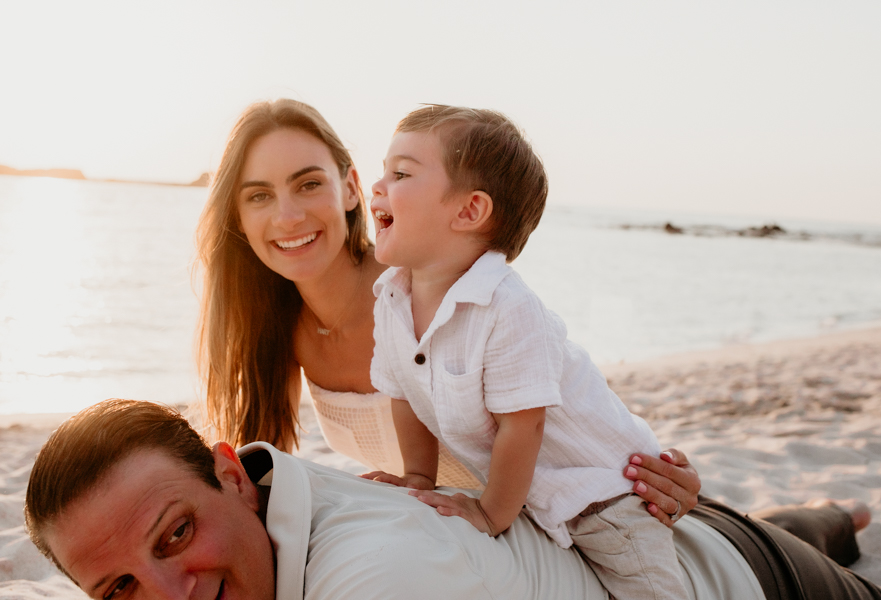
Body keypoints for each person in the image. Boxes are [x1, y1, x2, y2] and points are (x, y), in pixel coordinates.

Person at [195, 98, 698, 523]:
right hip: (460, 527)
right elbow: (257, 475)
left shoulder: (433, 283)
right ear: (238, 218)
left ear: (351, 188)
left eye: (308, 184)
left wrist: (671, 471)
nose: (287, 215)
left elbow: (565, 398)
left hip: (582, 508)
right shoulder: (277, 329)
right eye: (259, 196)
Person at [25, 399, 881, 600]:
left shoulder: (379, 575)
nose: (169, 592)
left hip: (736, 579)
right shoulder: (265, 490)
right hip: (637, 537)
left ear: (225, 471)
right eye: (122, 591)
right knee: (818, 527)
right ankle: (843, 519)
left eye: (174, 536)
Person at [363, 105, 685, 599]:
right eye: (384, 170)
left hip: (604, 492)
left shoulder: (507, 306)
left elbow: (523, 423)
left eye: (401, 173)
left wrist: (492, 513)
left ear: (469, 211)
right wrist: (418, 477)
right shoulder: (391, 299)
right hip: (525, 493)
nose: (378, 185)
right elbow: (403, 394)